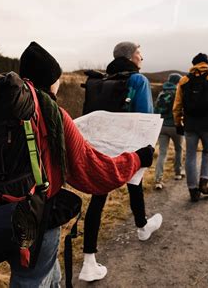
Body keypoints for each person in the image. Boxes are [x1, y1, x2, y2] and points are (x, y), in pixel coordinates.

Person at [9, 41, 155, 287]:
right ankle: (136, 230)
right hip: (35, 216)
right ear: (51, 80)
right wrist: (138, 158)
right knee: (33, 279)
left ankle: (90, 259)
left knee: (47, 274)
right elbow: (94, 172)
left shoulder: (7, 107)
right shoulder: (51, 113)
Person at [79, 42, 163, 282]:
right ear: (130, 56)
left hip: (102, 150)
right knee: (134, 182)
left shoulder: (101, 81)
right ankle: (142, 227)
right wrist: (146, 151)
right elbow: (145, 119)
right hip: (128, 149)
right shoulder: (138, 80)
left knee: (99, 196)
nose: (142, 57)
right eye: (139, 53)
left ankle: (89, 260)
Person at [172, 53, 208, 202]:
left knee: (191, 155)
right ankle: (204, 183)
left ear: (193, 64)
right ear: (206, 63)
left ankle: (193, 189)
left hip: (190, 125)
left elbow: (177, 105)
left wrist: (178, 123)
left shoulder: (184, 80)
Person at [153, 73, 184, 190]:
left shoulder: (162, 92)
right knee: (179, 149)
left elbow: (156, 109)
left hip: (162, 126)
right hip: (175, 126)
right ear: (177, 82)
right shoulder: (178, 93)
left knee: (162, 153)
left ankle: (158, 180)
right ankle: (178, 173)